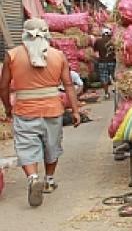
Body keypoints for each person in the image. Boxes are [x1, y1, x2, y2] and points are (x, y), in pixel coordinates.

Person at [0, 18, 81, 207]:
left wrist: (7, 107)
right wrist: (75, 110)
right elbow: (69, 85)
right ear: (46, 34)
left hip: (24, 109)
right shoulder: (58, 55)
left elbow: (3, 87)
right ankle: (49, 181)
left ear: (24, 35)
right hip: (53, 109)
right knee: (51, 145)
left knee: (27, 147)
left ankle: (33, 178)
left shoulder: (12, 55)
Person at [93, 27, 115, 99]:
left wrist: (96, 58)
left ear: (102, 34)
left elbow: (95, 51)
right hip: (112, 62)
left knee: (104, 78)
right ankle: (116, 89)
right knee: (114, 76)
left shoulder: (98, 41)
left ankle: (106, 93)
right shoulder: (113, 41)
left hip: (102, 62)